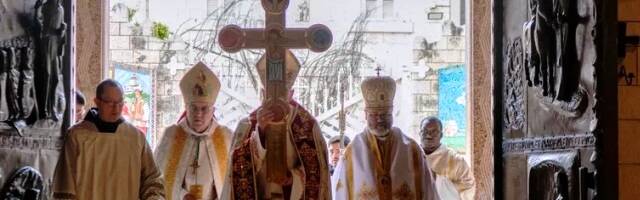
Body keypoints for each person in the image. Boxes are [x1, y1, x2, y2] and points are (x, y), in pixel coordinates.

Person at [220, 50, 330, 199]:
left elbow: (318, 173)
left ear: (291, 94)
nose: (276, 98)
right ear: (263, 93)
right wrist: (260, 132)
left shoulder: (307, 126)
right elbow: (237, 168)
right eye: (271, 93)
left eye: (283, 93)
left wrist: (293, 179)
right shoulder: (246, 126)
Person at [53, 79, 165, 200]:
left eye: (120, 102)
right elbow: (65, 188)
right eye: (110, 103)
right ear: (97, 102)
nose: (116, 109)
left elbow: (152, 180)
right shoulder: (77, 136)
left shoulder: (136, 138)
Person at [332, 75, 439, 200]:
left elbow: (428, 191)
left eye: (385, 114)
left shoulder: (412, 150)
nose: (380, 119)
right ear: (365, 115)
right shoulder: (352, 153)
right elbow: (340, 193)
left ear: (392, 113)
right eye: (374, 114)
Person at [154, 62, 233, 200]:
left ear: (213, 110)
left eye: (204, 109)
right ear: (186, 108)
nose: (198, 114)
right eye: (194, 108)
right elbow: (158, 180)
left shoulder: (226, 137)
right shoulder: (171, 135)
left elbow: (233, 183)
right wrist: (182, 195)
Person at [420, 116, 475, 200]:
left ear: (441, 135)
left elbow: (468, 188)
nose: (428, 135)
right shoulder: (411, 156)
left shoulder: (456, 160)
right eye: (425, 131)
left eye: (434, 132)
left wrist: (437, 180)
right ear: (420, 133)